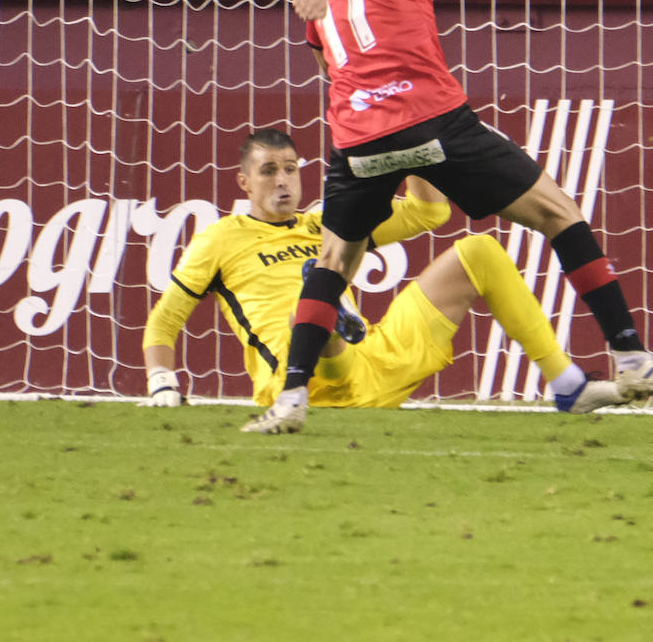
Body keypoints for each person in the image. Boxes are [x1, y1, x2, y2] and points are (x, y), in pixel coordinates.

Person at [253, 0, 653, 432]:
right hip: (431, 115)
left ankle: (290, 399)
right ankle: (630, 354)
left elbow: (328, 65)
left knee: (334, 259)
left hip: (357, 134)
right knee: (558, 212)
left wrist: (321, 2)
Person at [142, 129, 627, 423]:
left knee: (480, 251)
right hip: (306, 384)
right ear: (244, 182)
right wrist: (162, 381)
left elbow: (427, 212)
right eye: (268, 171)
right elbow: (164, 322)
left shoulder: (325, 225)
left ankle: (568, 386)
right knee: (309, 305)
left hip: (375, 363)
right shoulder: (221, 238)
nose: (283, 180)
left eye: (290, 168)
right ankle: (328, 320)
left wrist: (410, 142)